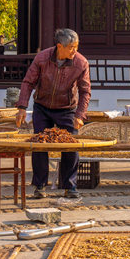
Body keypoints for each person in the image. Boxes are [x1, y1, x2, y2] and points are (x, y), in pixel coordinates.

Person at [15, 28, 91, 199]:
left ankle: (69, 186)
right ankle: (40, 186)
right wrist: (22, 107)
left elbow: (85, 91)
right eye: (72, 47)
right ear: (59, 46)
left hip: (67, 109)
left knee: (71, 146)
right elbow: (28, 82)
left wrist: (80, 115)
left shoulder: (81, 63)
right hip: (42, 107)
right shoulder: (42, 58)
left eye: (77, 46)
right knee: (40, 145)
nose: (75, 51)